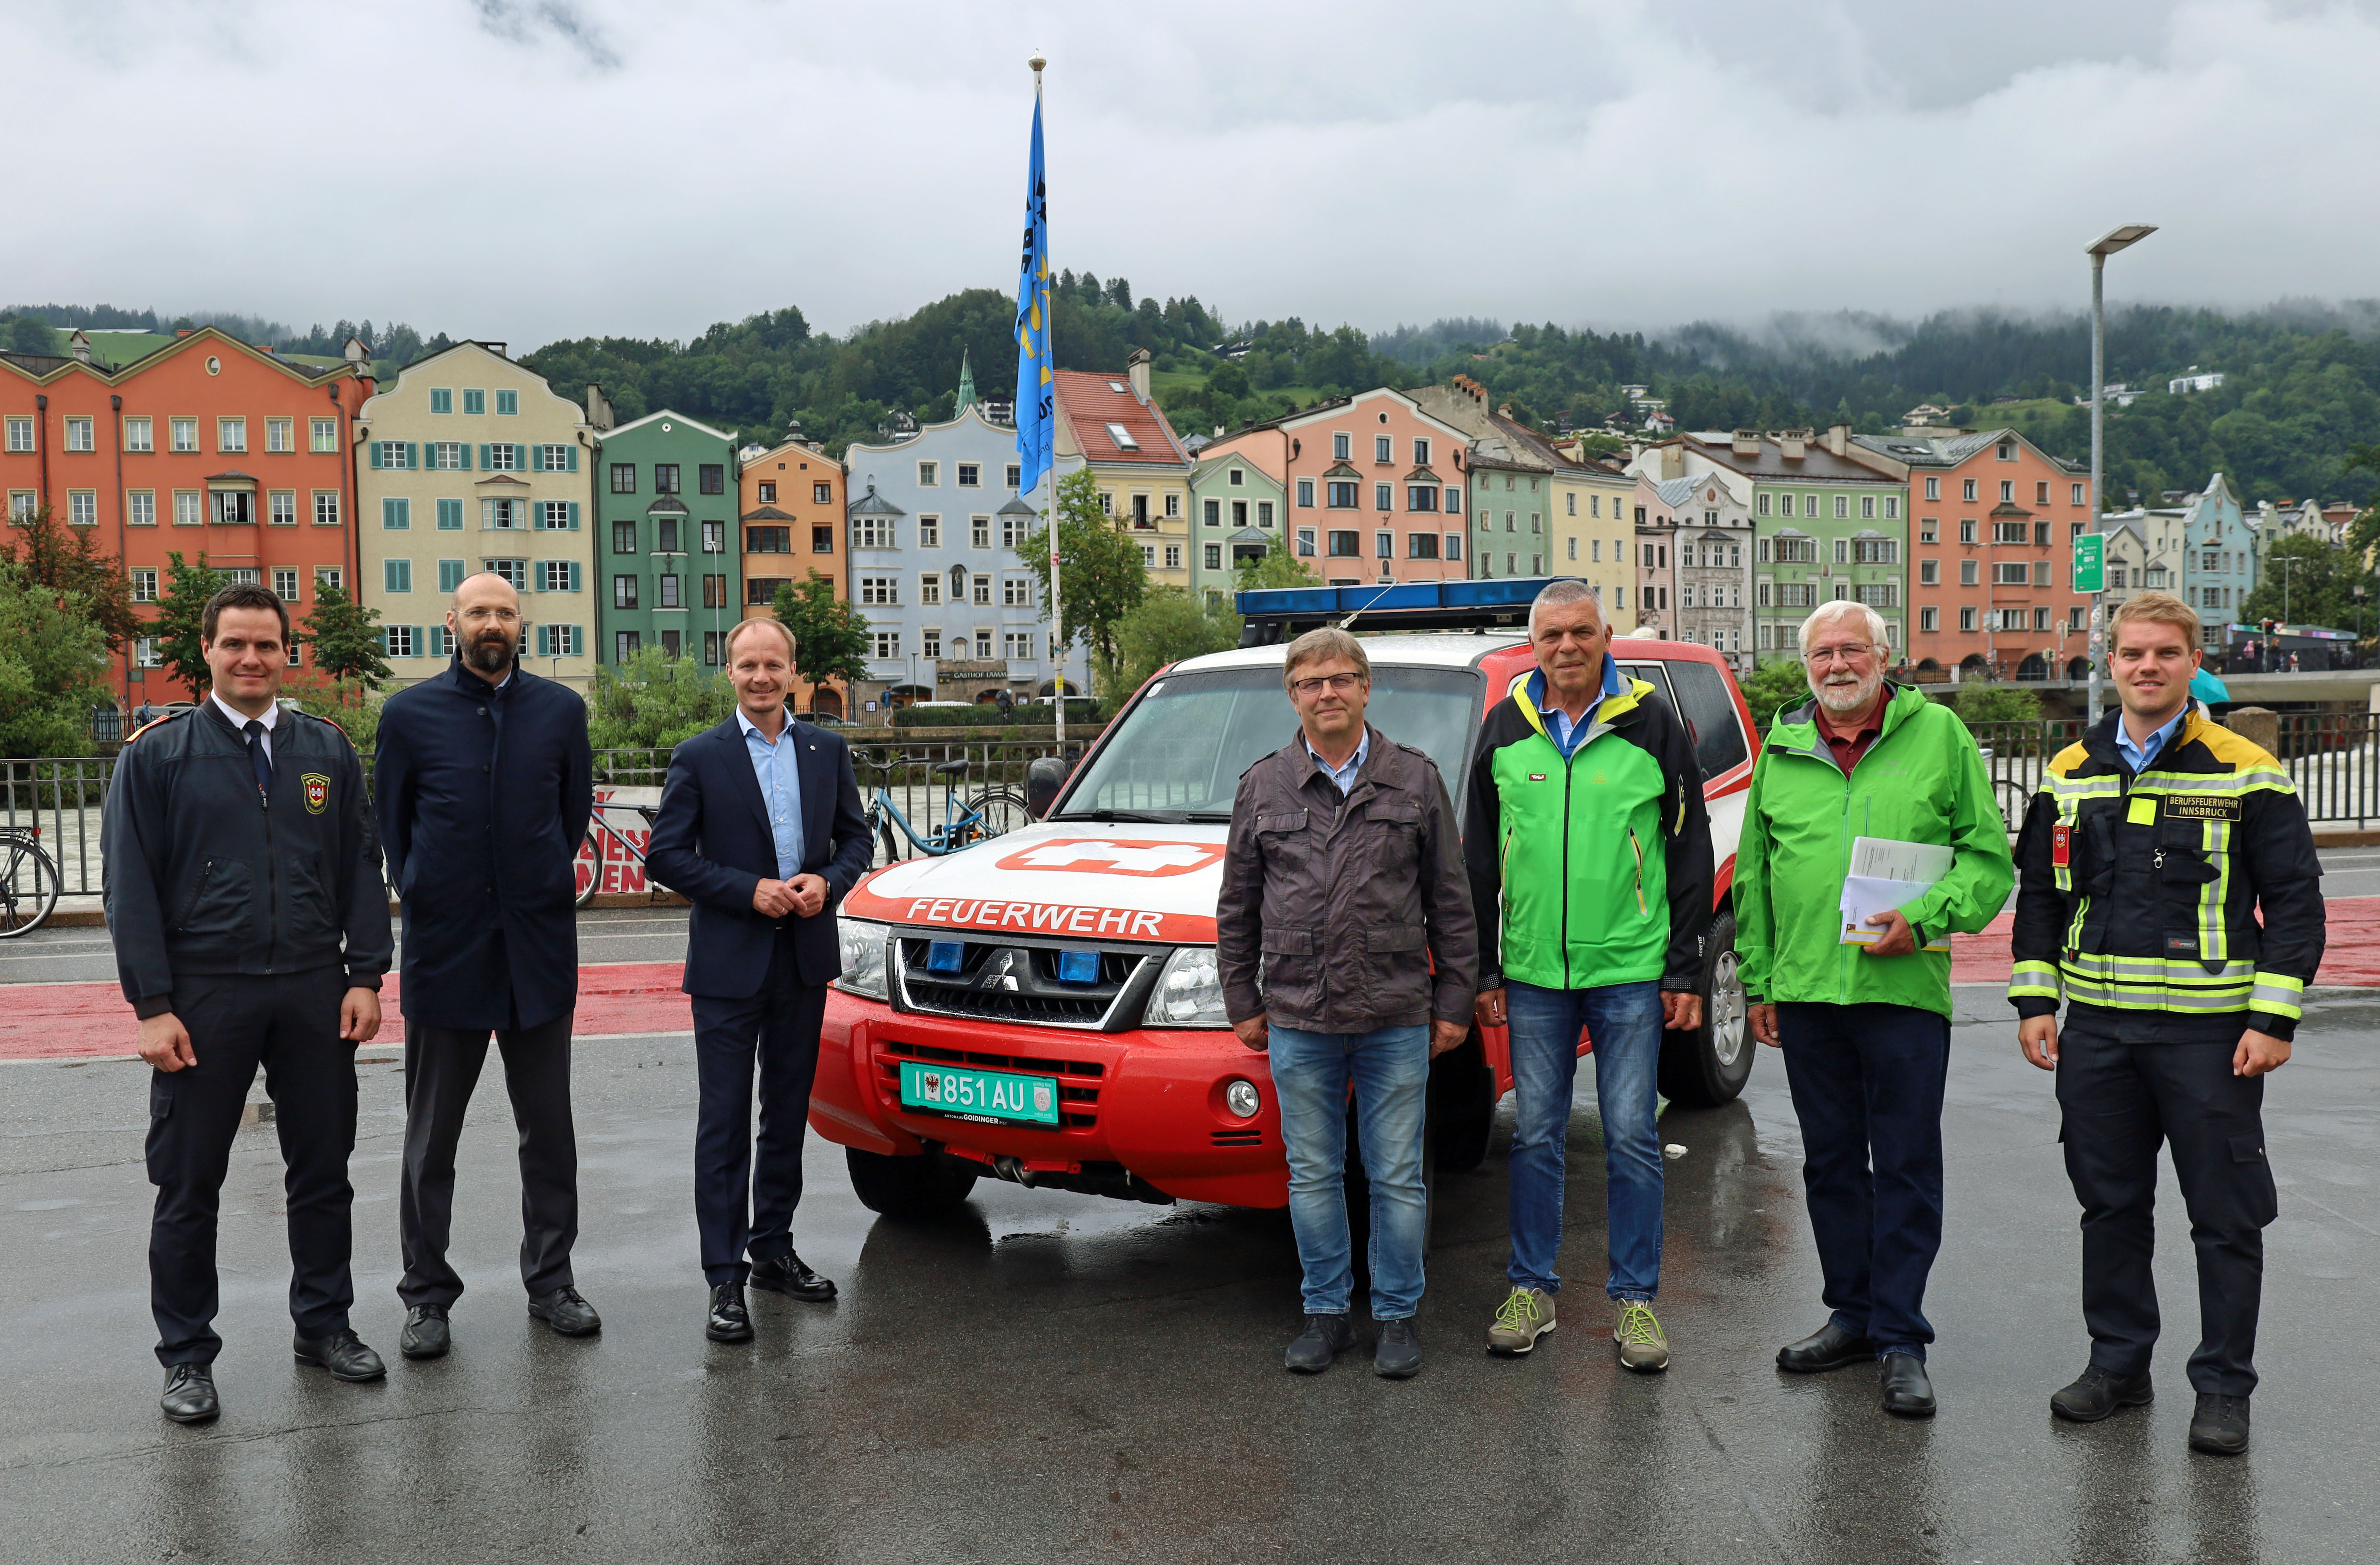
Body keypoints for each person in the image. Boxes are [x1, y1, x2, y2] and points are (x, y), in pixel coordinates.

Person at [2010, 592, 2323, 1456]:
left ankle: (2223, 1388)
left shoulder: (2244, 767)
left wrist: (2274, 1018)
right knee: (2109, 1207)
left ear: (2193, 663)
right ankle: (2118, 1365)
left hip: (2211, 1040)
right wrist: (2038, 1003)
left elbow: (2296, 904)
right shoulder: (2068, 771)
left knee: (2226, 1218)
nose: (2147, 667)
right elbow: (2041, 894)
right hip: (2100, 1035)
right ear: (2109, 663)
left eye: (2165, 654)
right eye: (2131, 653)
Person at [100, 584, 393, 1424]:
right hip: (203, 994)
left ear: (285, 651)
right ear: (207, 652)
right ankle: (187, 1357)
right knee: (189, 1184)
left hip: (311, 987)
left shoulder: (325, 749)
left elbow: (358, 872)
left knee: (323, 1172)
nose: (252, 659)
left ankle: (325, 1325)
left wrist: (367, 976)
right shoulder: (157, 756)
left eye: (266, 645)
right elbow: (130, 891)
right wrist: (152, 1005)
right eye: (236, 645)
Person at [1737, 600, 2012, 1418]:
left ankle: (1901, 1337)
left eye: (1852, 649)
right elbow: (1755, 877)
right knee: (1828, 1165)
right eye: (1821, 654)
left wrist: (1925, 919)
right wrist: (1758, 981)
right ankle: (1850, 1315)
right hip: (1810, 991)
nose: (1836, 665)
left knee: (1902, 1165)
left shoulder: (1940, 738)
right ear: (1805, 666)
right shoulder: (1782, 750)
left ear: (1885, 656)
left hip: (1901, 994)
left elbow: (1988, 861)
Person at [1216, 628, 1476, 1379]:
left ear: (1366, 688)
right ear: (1292, 695)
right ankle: (1325, 1311)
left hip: (1397, 1011)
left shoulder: (1415, 780)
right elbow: (1237, 908)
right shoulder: (1262, 785)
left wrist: (1454, 1000)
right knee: (1312, 1173)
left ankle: (1396, 1316)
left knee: (1395, 1173)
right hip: (1298, 1013)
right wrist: (1243, 998)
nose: (1326, 693)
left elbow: (1451, 905)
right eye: (1310, 682)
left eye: (1340, 679)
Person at [1466, 580, 1711, 1372]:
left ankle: (1635, 1303)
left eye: (1580, 633)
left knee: (1633, 1137)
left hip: (1631, 971)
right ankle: (1531, 1290)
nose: (1566, 648)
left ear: (1606, 634)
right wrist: (1482, 966)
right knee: (1536, 1137)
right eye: (1550, 637)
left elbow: (1689, 847)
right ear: (1532, 646)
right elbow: (1477, 856)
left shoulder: (1651, 724)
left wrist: (1685, 968)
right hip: (1534, 972)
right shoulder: (1505, 726)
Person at [373, 572, 598, 1360]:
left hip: (537, 951)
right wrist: (428, 888)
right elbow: (393, 828)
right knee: (431, 1139)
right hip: (447, 953)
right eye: (479, 612)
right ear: (453, 623)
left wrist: (535, 875)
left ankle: (552, 1282)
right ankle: (427, 1297)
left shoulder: (561, 712)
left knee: (549, 1134)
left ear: (521, 623)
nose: (492, 622)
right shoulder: (408, 715)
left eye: (504, 611)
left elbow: (570, 817)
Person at [646, 617, 872, 1343]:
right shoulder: (699, 756)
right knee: (724, 1122)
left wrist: (826, 882)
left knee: (784, 1115)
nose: (761, 677)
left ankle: (772, 1249)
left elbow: (856, 838)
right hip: (727, 964)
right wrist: (747, 889)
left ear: (792, 670)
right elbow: (667, 856)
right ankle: (723, 1277)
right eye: (748, 665)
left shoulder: (825, 748)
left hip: (802, 958)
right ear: (730, 671)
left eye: (773, 664)